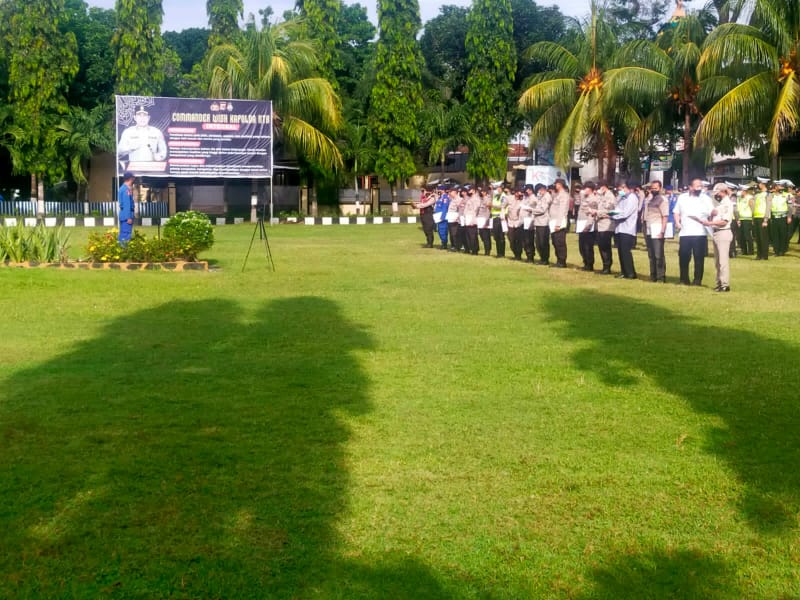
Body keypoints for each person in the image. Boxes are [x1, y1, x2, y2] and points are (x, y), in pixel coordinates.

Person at [673, 178, 715, 285]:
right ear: (690, 187)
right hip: (685, 232)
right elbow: (676, 211)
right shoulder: (682, 197)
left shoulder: (705, 198)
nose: (699, 188)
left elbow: (712, 212)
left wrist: (716, 212)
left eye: (700, 186)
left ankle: (697, 280)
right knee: (683, 256)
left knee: (699, 258)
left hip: (700, 233)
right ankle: (683, 279)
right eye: (697, 186)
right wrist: (677, 222)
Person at [704, 183, 734, 292]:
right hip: (716, 232)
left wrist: (710, 223)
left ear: (723, 192)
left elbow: (724, 222)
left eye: (717, 193)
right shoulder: (720, 204)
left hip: (723, 232)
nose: (716, 195)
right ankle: (719, 283)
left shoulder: (727, 204)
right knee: (717, 261)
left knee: (722, 261)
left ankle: (725, 284)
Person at [610, 180, 639, 279]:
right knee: (620, 251)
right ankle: (624, 271)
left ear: (624, 187)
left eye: (620, 189)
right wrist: (612, 213)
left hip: (627, 229)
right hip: (619, 228)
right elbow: (617, 209)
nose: (619, 191)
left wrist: (613, 216)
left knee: (626, 252)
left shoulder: (632, 198)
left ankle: (630, 273)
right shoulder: (622, 198)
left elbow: (625, 213)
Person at [643, 180, 668, 282]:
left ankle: (661, 277)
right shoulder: (650, 199)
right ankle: (653, 275)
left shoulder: (662, 200)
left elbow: (665, 216)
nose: (653, 190)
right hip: (648, 229)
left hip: (657, 229)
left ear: (660, 188)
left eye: (655, 188)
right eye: (652, 188)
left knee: (658, 255)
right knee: (651, 254)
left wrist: (662, 230)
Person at [592, 181, 617, 274]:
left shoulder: (610, 197)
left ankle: (607, 267)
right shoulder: (602, 196)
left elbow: (610, 211)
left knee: (605, 246)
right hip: (600, 223)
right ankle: (605, 265)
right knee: (601, 246)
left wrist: (597, 212)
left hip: (607, 225)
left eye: (599, 187)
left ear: (604, 187)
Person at [575, 182, 598, 271]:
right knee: (581, 246)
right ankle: (585, 262)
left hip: (588, 225)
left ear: (590, 189)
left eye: (586, 188)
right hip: (581, 224)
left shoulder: (593, 199)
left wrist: (588, 226)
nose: (584, 190)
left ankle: (589, 264)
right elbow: (580, 193)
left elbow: (592, 214)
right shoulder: (585, 198)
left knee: (588, 246)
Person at [549, 179, 570, 268]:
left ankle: (562, 261)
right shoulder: (557, 194)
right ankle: (558, 260)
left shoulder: (564, 195)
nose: (555, 186)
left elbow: (562, 210)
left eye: (556, 184)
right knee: (555, 242)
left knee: (560, 242)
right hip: (553, 221)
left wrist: (558, 224)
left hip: (559, 221)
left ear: (560, 185)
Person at [532, 184, 552, 265]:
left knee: (543, 242)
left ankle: (545, 259)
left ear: (542, 189)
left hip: (544, 222)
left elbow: (543, 209)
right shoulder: (541, 197)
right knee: (538, 242)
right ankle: (542, 258)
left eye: (539, 190)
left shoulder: (547, 197)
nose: (539, 192)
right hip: (539, 222)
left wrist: (532, 210)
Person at [752, 180, 771, 260]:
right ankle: (759, 255)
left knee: (763, 238)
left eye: (759, 183)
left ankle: (764, 255)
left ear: (763, 184)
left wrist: (765, 219)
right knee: (758, 238)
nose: (758, 185)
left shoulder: (768, 194)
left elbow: (768, 207)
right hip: (756, 217)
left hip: (763, 218)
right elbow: (754, 207)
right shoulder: (757, 195)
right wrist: (753, 218)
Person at [118, 171, 136, 245]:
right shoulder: (126, 190)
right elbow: (127, 204)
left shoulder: (123, 188)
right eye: (133, 178)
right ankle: (124, 252)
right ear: (131, 179)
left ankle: (120, 251)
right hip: (127, 215)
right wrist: (128, 217)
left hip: (123, 214)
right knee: (126, 235)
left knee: (123, 234)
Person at [736, 184, 754, 255]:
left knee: (747, 235)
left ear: (745, 191)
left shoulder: (750, 197)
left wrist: (753, 218)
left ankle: (751, 251)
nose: (740, 192)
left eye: (741, 190)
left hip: (747, 218)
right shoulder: (739, 198)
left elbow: (752, 208)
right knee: (741, 236)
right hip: (741, 218)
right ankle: (744, 250)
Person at [506, 190, 524, 260]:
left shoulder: (523, 200)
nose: (519, 194)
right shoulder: (510, 198)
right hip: (510, 221)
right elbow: (502, 206)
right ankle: (515, 252)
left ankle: (518, 255)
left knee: (518, 239)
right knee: (511, 239)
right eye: (518, 192)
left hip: (519, 222)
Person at [491, 186, 508, 258]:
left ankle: (502, 253)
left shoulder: (504, 196)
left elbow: (502, 205)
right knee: (496, 236)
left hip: (501, 218)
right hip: (494, 217)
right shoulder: (495, 196)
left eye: (499, 188)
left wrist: (493, 206)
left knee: (501, 236)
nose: (497, 190)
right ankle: (498, 252)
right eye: (496, 188)